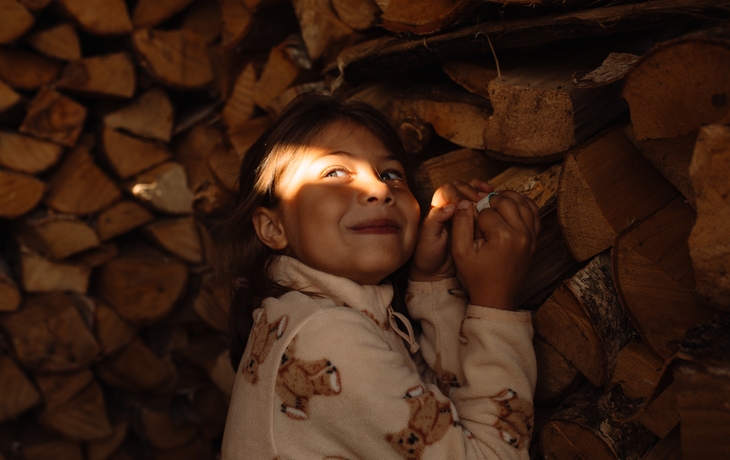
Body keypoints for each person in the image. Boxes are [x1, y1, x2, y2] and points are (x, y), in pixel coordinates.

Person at [214, 92, 540, 460]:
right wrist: (494, 302)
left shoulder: (313, 315)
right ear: (273, 228)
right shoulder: (328, 336)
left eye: (391, 174)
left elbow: (440, 416)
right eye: (334, 173)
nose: (379, 189)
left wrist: (433, 281)